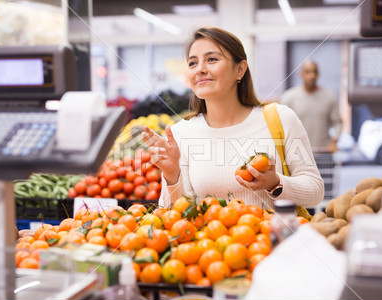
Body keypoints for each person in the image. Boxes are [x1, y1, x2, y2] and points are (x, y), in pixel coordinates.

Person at [141, 27, 324, 210]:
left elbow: (315, 192)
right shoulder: (180, 133)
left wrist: (275, 183)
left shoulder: (280, 119)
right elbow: (175, 216)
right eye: (192, 63)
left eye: (212, 59)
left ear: (240, 70)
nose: (200, 70)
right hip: (211, 239)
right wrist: (173, 175)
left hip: (272, 237)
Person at [280, 60, 342, 152]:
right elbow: (281, 124)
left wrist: (334, 141)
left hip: (323, 154)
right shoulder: (288, 97)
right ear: (301, 74)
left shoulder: (329, 96)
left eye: (314, 72)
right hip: (298, 154)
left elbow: (338, 122)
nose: (311, 76)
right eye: (307, 72)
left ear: (318, 74)